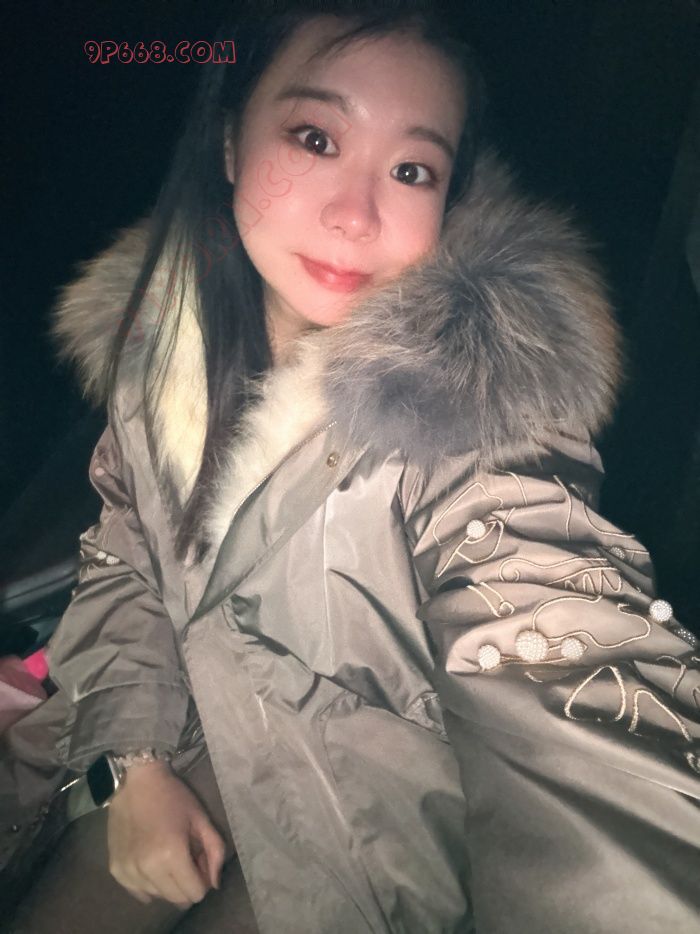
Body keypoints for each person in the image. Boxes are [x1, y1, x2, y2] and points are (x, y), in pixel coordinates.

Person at [2, 2, 700, 931]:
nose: (355, 213)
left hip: (366, 821)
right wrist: (128, 763)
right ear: (228, 143)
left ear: (449, 197)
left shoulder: (475, 414)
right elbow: (127, 557)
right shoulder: (165, 350)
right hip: (182, 724)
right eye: (316, 138)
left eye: (411, 170)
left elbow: (563, 656)